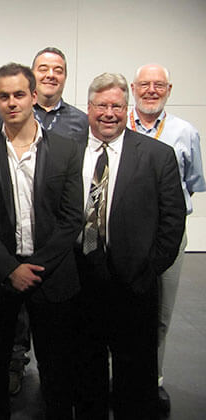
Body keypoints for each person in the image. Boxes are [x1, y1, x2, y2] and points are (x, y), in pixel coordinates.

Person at [0, 63, 83, 419]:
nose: (11, 102)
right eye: (4, 96)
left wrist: (36, 267)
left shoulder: (66, 150)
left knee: (58, 371)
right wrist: (10, 269)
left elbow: (71, 218)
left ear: (33, 96)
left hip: (52, 274)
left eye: (18, 94)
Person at [75, 73, 185, 420]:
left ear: (127, 108)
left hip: (135, 283)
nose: (110, 113)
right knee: (86, 368)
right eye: (102, 105)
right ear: (89, 108)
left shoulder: (158, 155)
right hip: (80, 278)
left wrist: (150, 269)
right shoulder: (67, 151)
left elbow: (172, 220)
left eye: (117, 106)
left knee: (135, 376)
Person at [128, 64, 206, 416]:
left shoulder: (185, 132)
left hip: (169, 234)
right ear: (133, 88)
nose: (151, 90)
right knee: (119, 309)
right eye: (144, 84)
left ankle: (151, 380)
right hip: (126, 234)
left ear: (169, 89)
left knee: (161, 313)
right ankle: (120, 378)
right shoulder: (117, 125)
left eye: (158, 85)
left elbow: (192, 181)